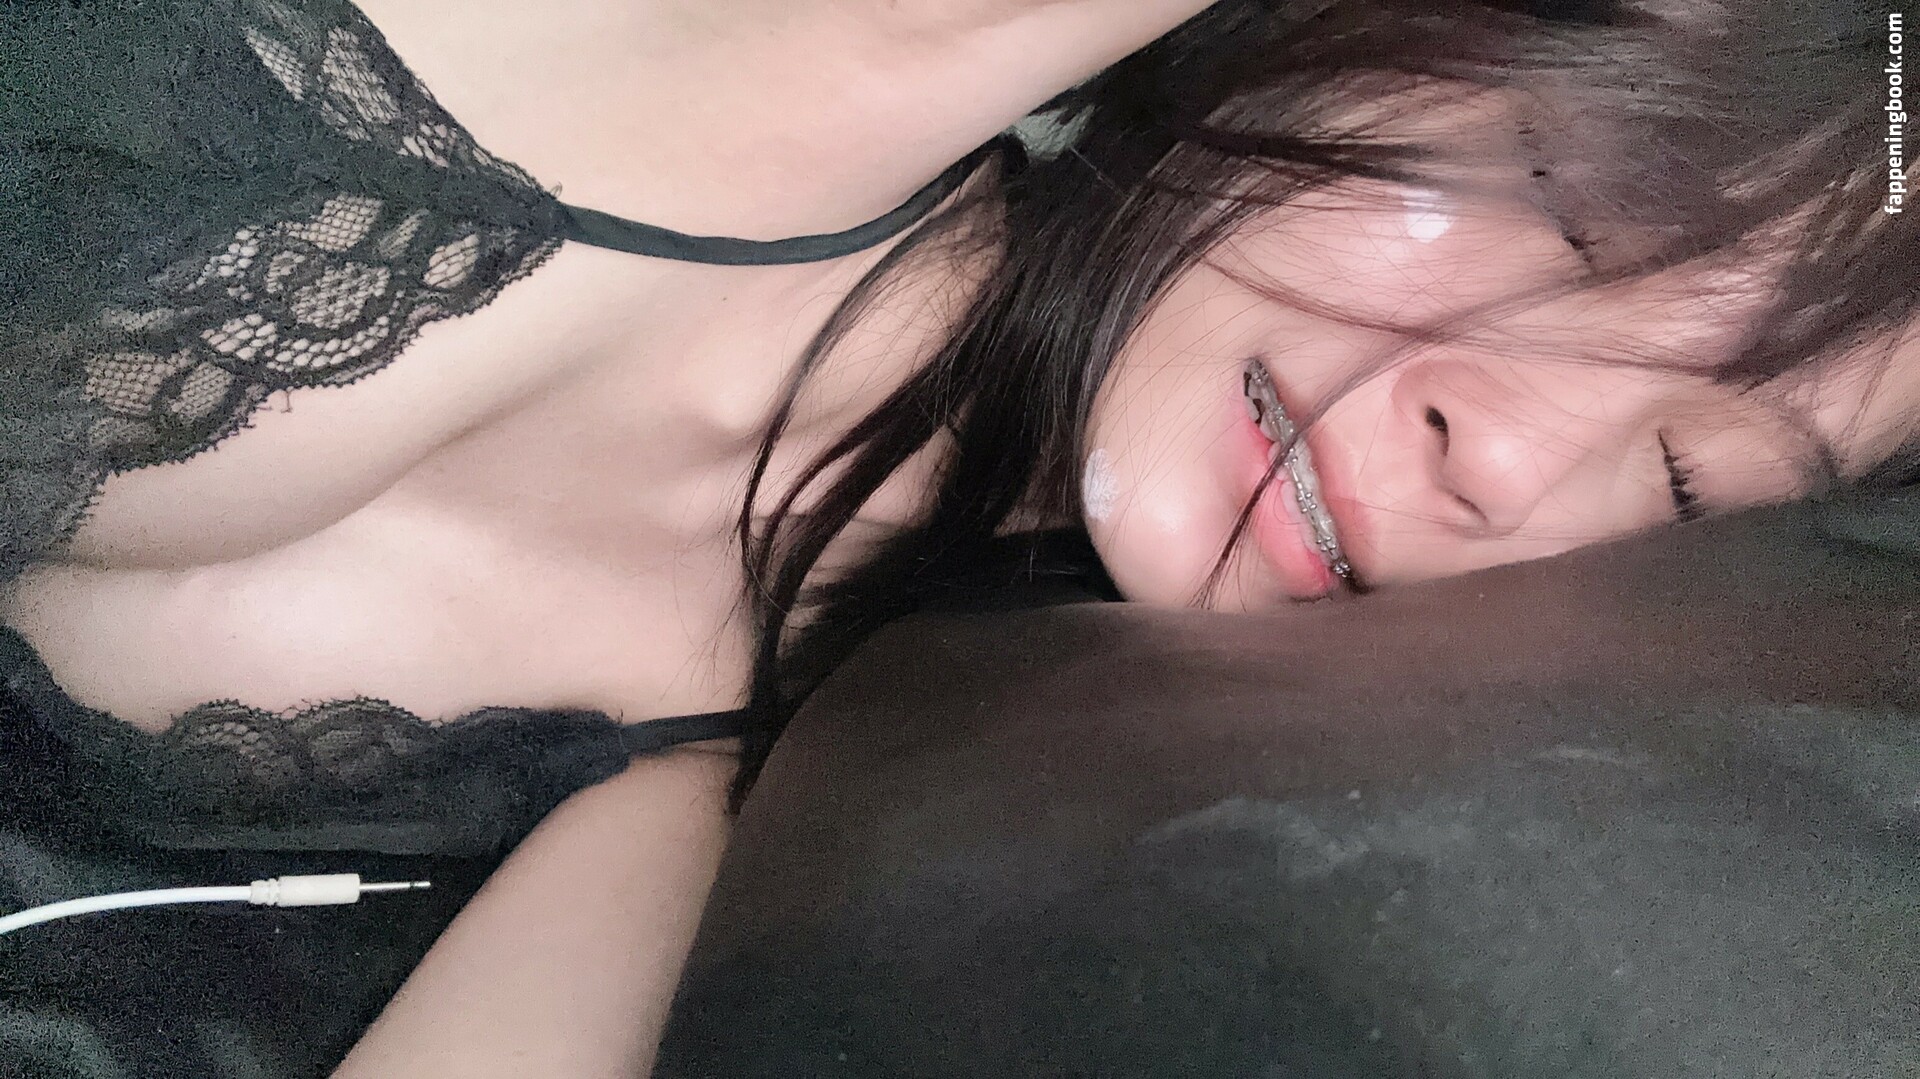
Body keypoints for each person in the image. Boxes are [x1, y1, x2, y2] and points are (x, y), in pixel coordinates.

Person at [0, 0, 1913, 1075]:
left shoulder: (786, 791)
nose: (1505, 452)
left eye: (1690, 474)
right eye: (1566, 207)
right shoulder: (776, 79)